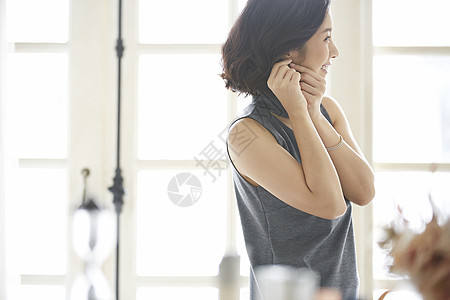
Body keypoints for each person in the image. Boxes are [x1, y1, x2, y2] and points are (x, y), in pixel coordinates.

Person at [220, 0, 375, 299]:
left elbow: (364, 191)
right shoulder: (247, 135)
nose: (335, 52)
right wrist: (301, 112)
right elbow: (331, 204)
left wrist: (314, 114)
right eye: (326, 38)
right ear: (289, 49)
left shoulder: (326, 110)